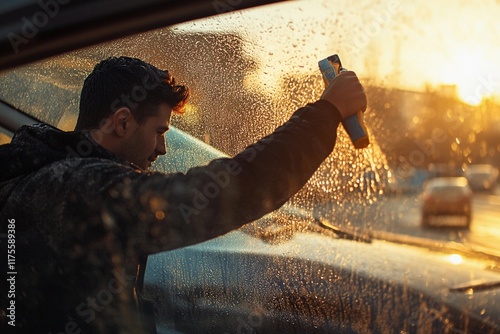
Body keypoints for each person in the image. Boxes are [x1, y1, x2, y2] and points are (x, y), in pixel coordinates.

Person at [0, 56, 367, 333]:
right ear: (122, 122)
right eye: (159, 131)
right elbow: (216, 195)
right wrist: (326, 113)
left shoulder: (49, 172)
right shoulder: (77, 186)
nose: (162, 148)